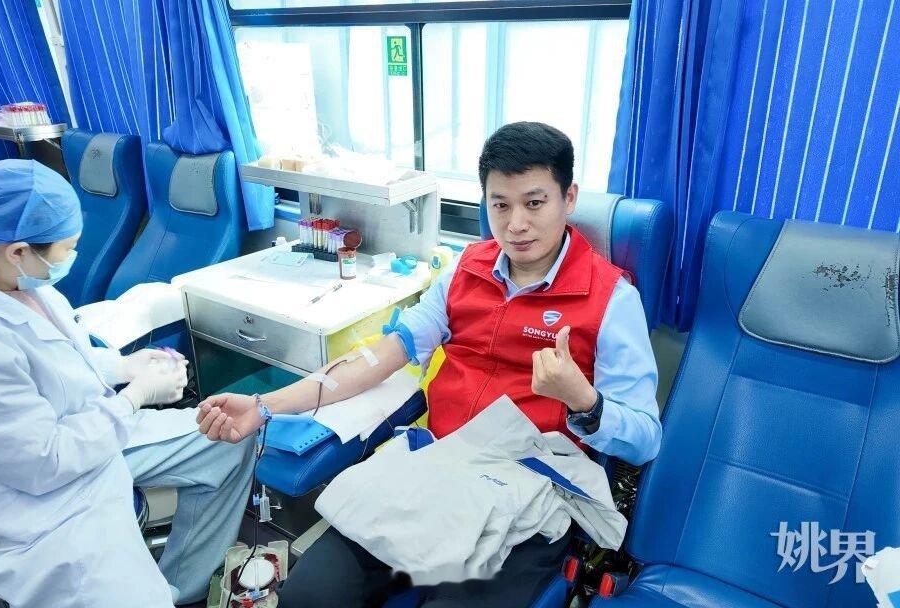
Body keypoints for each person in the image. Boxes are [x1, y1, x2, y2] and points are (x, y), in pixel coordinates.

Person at [198, 122, 662, 607]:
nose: (515, 224)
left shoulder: (611, 299)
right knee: (308, 598)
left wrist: (583, 401)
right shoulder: (465, 270)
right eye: (500, 205)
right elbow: (379, 358)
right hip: (437, 471)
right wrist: (263, 405)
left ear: (569, 198)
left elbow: (645, 437)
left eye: (534, 203)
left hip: (526, 490)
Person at [0, 159, 256, 607]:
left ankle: (182, 587)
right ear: (17, 252)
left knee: (228, 435)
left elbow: (56, 363)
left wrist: (122, 366)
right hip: (47, 492)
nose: (71, 257)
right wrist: (135, 397)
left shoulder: (25, 286)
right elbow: (46, 461)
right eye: (68, 248)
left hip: (94, 431)